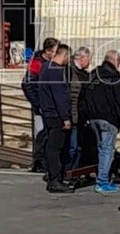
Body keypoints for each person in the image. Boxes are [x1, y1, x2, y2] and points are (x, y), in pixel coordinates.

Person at [80, 49, 120, 194]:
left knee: (101, 148)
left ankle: (102, 177)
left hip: (93, 117)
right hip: (108, 118)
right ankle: (102, 181)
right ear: (116, 62)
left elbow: (84, 95)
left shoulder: (93, 75)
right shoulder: (115, 77)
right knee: (107, 150)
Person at [37, 44, 74, 193]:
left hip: (48, 113)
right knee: (56, 147)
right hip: (56, 115)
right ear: (64, 56)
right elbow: (59, 95)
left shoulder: (46, 67)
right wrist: (65, 117)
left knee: (52, 146)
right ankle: (55, 179)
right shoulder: (55, 71)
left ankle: (53, 175)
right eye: (68, 57)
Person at [22, 37, 59, 174]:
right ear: (48, 51)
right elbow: (27, 84)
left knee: (48, 133)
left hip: (50, 104)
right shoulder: (37, 63)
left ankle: (46, 160)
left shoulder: (51, 63)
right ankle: (39, 161)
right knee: (41, 133)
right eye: (55, 51)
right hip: (41, 105)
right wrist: (37, 103)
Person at [67, 46, 93, 170]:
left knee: (79, 146)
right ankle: (69, 171)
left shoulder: (84, 74)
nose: (90, 62)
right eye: (89, 59)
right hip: (73, 115)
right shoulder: (70, 72)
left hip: (81, 115)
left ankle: (75, 170)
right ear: (82, 58)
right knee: (73, 147)